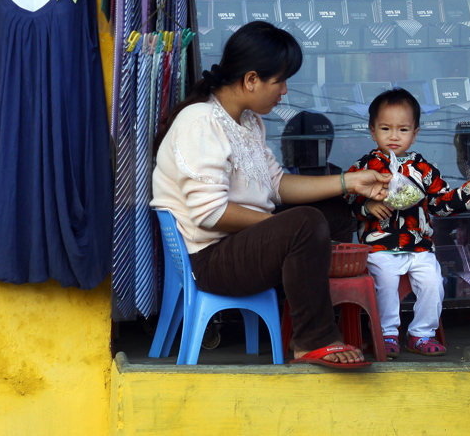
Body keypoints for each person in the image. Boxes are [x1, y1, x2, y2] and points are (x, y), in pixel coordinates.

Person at [151, 21, 391, 368]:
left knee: (334, 211)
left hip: (243, 243)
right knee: (306, 225)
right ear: (251, 80)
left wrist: (350, 182)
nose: (284, 91)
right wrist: (283, 231)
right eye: (279, 80)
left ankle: (334, 318)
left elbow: (277, 185)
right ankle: (312, 340)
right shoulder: (201, 122)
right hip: (211, 259)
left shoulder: (247, 121)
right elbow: (210, 214)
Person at [345, 88, 470, 357]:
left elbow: (440, 203)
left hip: (419, 247)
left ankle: (421, 333)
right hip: (380, 248)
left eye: (403, 130)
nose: (393, 136)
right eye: (385, 128)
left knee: (434, 282)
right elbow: (347, 203)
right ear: (372, 131)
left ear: (415, 134)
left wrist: (468, 193)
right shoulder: (364, 168)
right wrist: (367, 205)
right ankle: (387, 333)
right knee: (385, 282)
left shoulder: (423, 169)